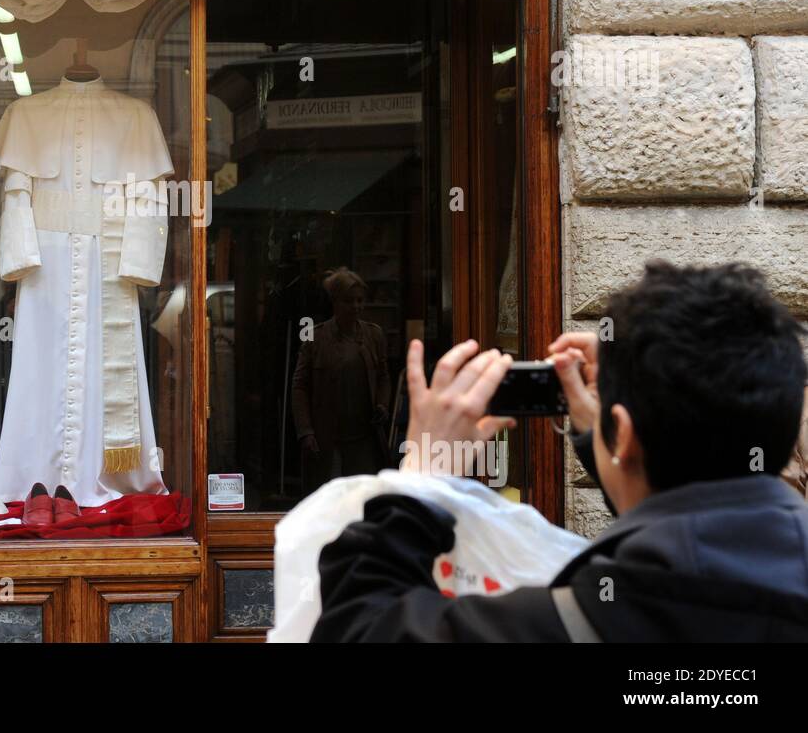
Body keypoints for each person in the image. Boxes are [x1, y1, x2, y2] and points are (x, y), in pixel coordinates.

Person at [312, 262, 808, 641]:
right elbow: (688, 515)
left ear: (625, 435)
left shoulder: (571, 621)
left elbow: (358, 624)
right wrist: (610, 439)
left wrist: (424, 475)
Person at [292, 268, 394, 495]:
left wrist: (382, 405)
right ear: (335, 302)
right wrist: (306, 431)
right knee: (328, 497)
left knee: (362, 498)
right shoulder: (315, 338)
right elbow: (299, 385)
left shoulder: (373, 336)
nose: (356, 307)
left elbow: (383, 377)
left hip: (363, 437)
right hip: (328, 438)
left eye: (360, 301)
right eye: (349, 301)